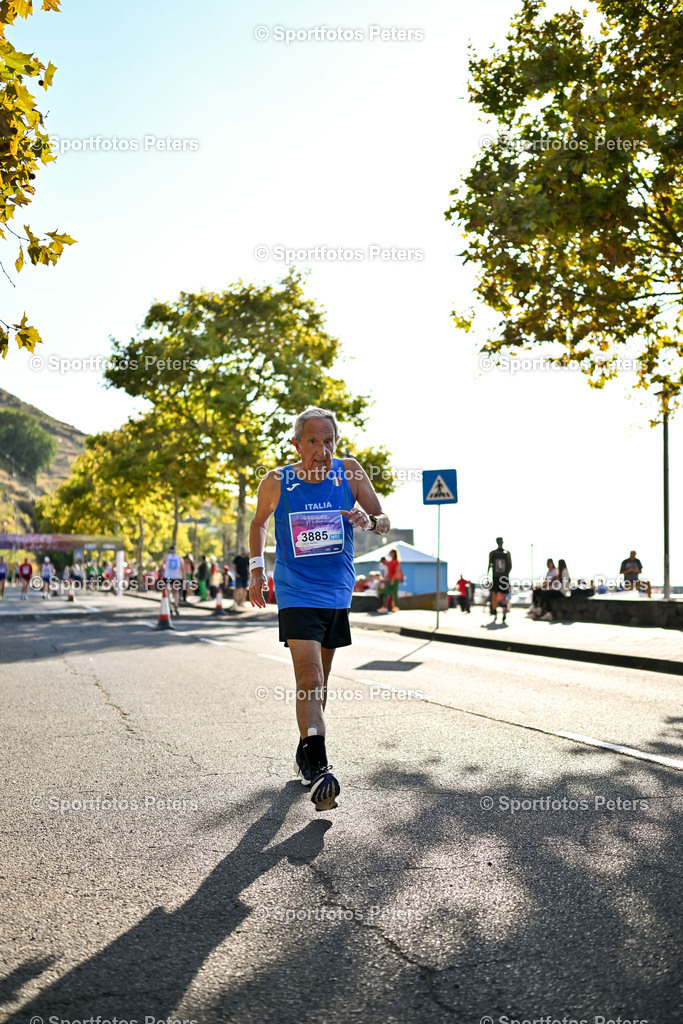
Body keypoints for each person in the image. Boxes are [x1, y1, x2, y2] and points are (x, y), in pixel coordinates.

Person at [248, 406, 390, 812]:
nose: (323, 450)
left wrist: (368, 521)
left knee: (320, 683)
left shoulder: (351, 473)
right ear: (296, 444)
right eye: (313, 441)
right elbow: (259, 523)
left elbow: (384, 520)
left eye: (329, 441)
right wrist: (257, 571)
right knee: (309, 676)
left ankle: (306, 750)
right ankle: (320, 770)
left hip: (336, 591)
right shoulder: (277, 481)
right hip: (295, 591)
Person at [488, 537, 512, 622]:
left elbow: (489, 566)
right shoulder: (505, 553)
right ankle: (498, 613)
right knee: (501, 597)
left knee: (497, 596)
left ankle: (497, 613)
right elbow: (510, 566)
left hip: (498, 577)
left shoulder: (494, 553)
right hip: (502, 577)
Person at [161, 545, 183, 615]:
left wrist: (162, 572)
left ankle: (169, 607)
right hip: (176, 576)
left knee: (168, 592)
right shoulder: (179, 557)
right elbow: (182, 568)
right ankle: (176, 606)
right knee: (176, 592)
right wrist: (183, 577)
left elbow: (161, 565)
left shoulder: (167, 556)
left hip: (167, 576)